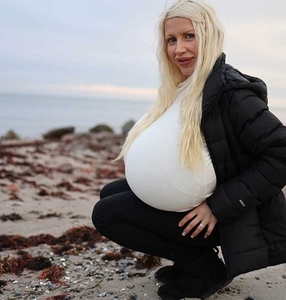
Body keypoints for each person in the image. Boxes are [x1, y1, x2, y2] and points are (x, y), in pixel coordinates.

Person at [92, 0, 286, 299]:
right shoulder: (188, 85)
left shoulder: (231, 93)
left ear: (209, 36)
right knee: (110, 193)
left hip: (228, 215)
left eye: (189, 36)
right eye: (171, 39)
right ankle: (190, 260)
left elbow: (281, 154)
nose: (178, 49)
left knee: (106, 213)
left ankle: (202, 267)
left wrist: (217, 206)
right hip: (203, 204)